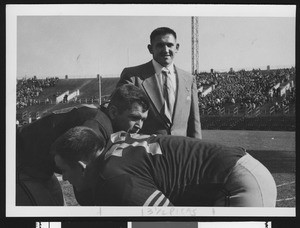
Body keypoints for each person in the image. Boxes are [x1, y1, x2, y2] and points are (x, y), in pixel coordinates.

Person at [52, 129, 277, 207]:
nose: (64, 178)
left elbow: (169, 219)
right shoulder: (114, 142)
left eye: (65, 171)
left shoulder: (113, 179)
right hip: (240, 171)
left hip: (236, 182)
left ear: (82, 166)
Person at [16, 84, 150, 206]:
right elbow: (81, 178)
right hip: (21, 161)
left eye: (143, 119)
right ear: (114, 112)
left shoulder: (102, 119)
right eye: (134, 118)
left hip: (40, 166)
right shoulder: (96, 127)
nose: (140, 126)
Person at [117, 27, 201, 138]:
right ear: (150, 49)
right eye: (160, 45)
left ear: (177, 47)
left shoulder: (188, 79)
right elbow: (119, 114)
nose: (166, 50)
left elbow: (194, 122)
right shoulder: (133, 76)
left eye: (170, 45)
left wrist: (197, 151)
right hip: (147, 150)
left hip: (180, 150)